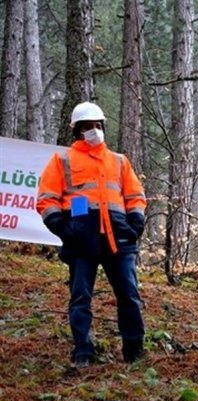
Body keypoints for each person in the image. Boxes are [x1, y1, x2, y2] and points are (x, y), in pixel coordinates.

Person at [36, 101, 147, 368]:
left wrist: (135, 225)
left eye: (98, 126)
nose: (94, 131)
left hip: (118, 238)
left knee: (129, 295)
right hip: (81, 240)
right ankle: (83, 349)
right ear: (77, 130)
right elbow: (46, 199)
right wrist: (63, 229)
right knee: (81, 296)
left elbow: (135, 196)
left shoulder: (119, 161)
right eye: (88, 127)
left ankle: (134, 350)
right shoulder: (62, 160)